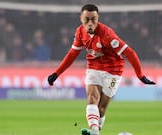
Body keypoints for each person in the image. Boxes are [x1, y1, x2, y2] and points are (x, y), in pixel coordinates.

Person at [47, 4, 156, 135]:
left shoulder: (107, 35)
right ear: (80, 18)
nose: (90, 23)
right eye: (86, 19)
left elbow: (130, 53)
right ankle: (94, 131)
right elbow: (72, 54)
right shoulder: (80, 32)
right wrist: (57, 73)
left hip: (113, 70)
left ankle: (95, 131)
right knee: (92, 98)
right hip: (94, 67)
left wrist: (140, 75)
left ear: (98, 18)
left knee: (101, 108)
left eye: (94, 19)